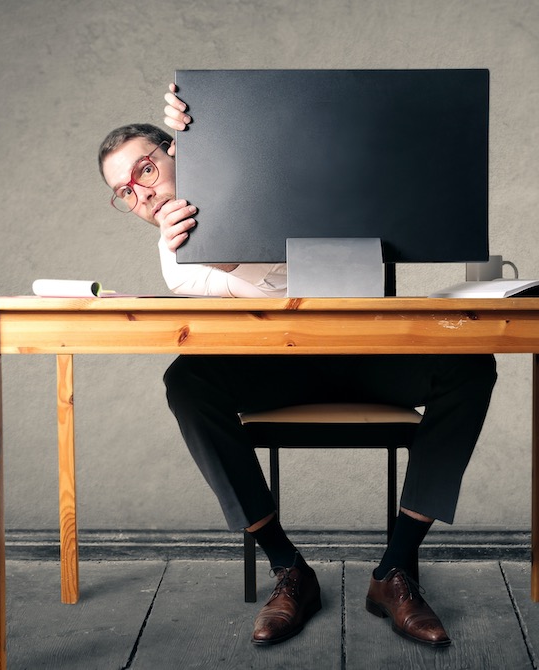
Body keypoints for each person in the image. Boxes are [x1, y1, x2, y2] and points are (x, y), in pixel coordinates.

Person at [95, 83, 497, 648]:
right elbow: (213, 298)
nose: (141, 193)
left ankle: (396, 570)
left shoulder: (275, 178)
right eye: (124, 192)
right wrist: (193, 262)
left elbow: (307, 268)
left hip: (366, 354)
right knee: (186, 381)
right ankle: (289, 569)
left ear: (178, 154)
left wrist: (211, 120)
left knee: (471, 364)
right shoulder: (173, 254)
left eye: (146, 170)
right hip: (277, 369)